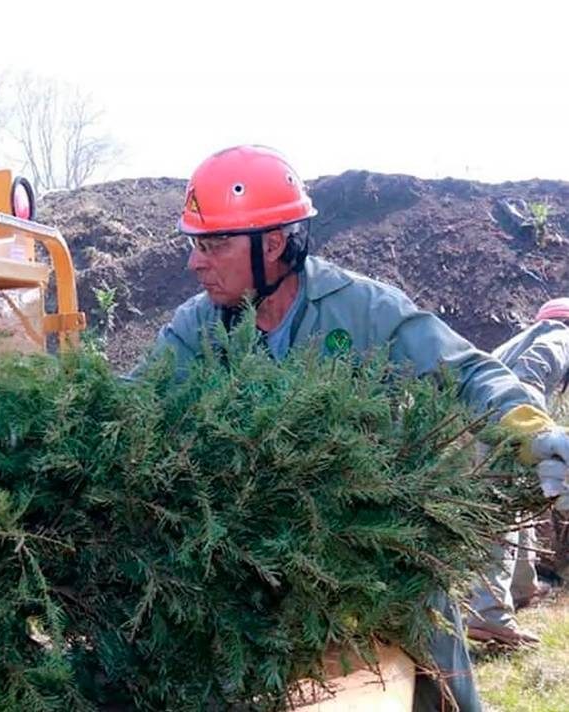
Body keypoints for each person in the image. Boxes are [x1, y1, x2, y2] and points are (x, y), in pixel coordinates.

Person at [131, 145, 569, 712]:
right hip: (255, 572)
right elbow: (131, 400)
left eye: (213, 244)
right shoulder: (198, 327)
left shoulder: (362, 309)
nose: (195, 261)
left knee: (441, 687)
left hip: (381, 561)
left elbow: (467, 372)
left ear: (273, 244)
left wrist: (532, 432)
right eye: (195, 243)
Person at [467, 298, 569, 646]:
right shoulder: (560, 335)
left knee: (515, 509)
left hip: (482, 424)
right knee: (503, 517)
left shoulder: (513, 344)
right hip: (509, 425)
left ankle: (522, 588)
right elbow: (530, 373)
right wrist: (539, 432)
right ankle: (489, 616)